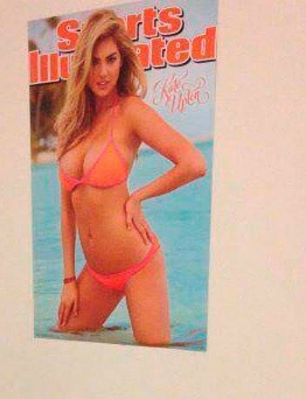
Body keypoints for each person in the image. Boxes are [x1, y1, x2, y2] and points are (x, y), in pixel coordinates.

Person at [54, 8, 207, 346]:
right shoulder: (71, 126)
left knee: (158, 354)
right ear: (83, 65)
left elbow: (194, 163)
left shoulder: (130, 112)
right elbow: (67, 211)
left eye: (111, 60)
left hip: (139, 265)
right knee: (64, 339)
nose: (103, 72)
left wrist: (138, 196)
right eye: (94, 62)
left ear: (122, 61)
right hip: (97, 274)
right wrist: (68, 280)